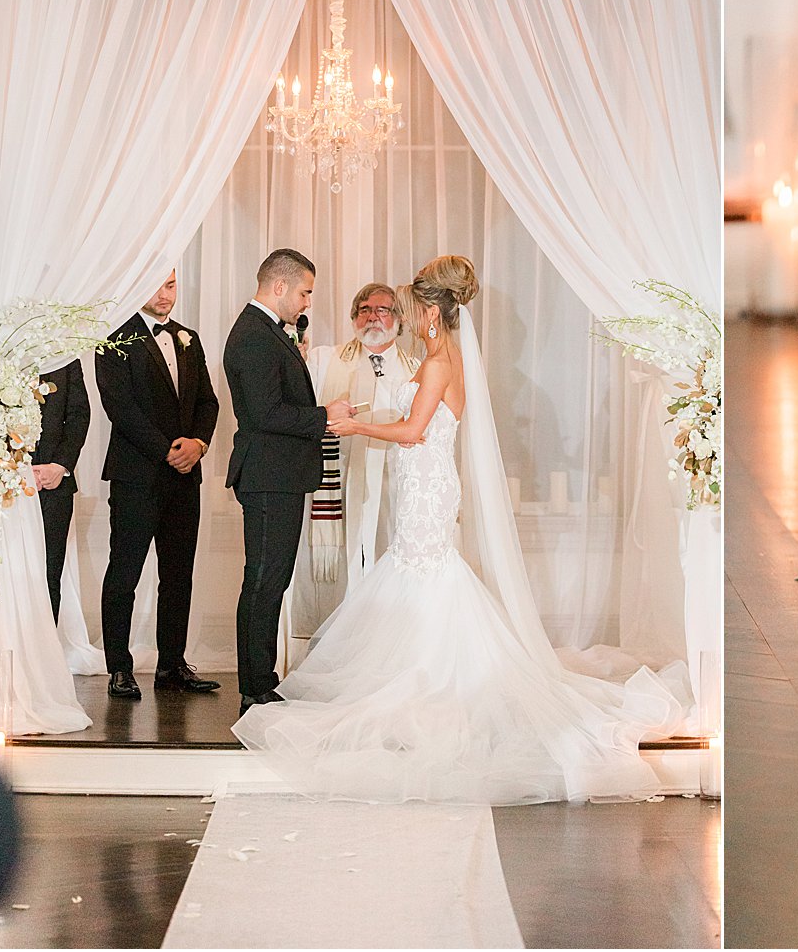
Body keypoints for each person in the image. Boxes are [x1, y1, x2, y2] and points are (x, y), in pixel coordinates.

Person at [233, 256, 683, 805]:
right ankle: (414, 670)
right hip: (425, 485)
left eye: (412, 306)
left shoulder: (439, 364)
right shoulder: (439, 359)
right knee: (417, 570)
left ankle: (429, 678)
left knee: (425, 572)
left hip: (426, 487)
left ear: (429, 313)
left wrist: (351, 423)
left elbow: (414, 430)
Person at [223, 249, 354, 713]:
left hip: (279, 474)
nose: (307, 302)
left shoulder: (268, 333)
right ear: (279, 286)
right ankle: (254, 686)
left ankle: (262, 679)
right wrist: (325, 416)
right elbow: (264, 412)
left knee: (271, 579)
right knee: (262, 580)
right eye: (305, 291)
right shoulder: (254, 336)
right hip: (267, 475)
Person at [95, 271, 221, 700]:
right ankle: (119, 667)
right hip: (137, 476)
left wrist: (199, 444)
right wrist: (168, 450)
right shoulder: (114, 338)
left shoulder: (190, 337)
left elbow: (209, 401)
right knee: (124, 573)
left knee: (178, 575)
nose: (165, 295)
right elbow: (120, 408)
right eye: (155, 285)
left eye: (171, 285)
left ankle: (171, 665)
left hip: (186, 477)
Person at [296, 283, 419, 637]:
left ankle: (383, 638)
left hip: (391, 481)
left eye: (383, 310)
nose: (373, 317)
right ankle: (336, 640)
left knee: (384, 557)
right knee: (343, 565)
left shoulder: (414, 369)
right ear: (353, 317)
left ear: (399, 320)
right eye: (364, 309)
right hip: (337, 480)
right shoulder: (324, 360)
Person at [32, 360, 89, 623]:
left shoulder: (64, 354)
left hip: (54, 485)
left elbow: (79, 413)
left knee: (49, 574)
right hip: (0, 484)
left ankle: (44, 656)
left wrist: (60, 465)